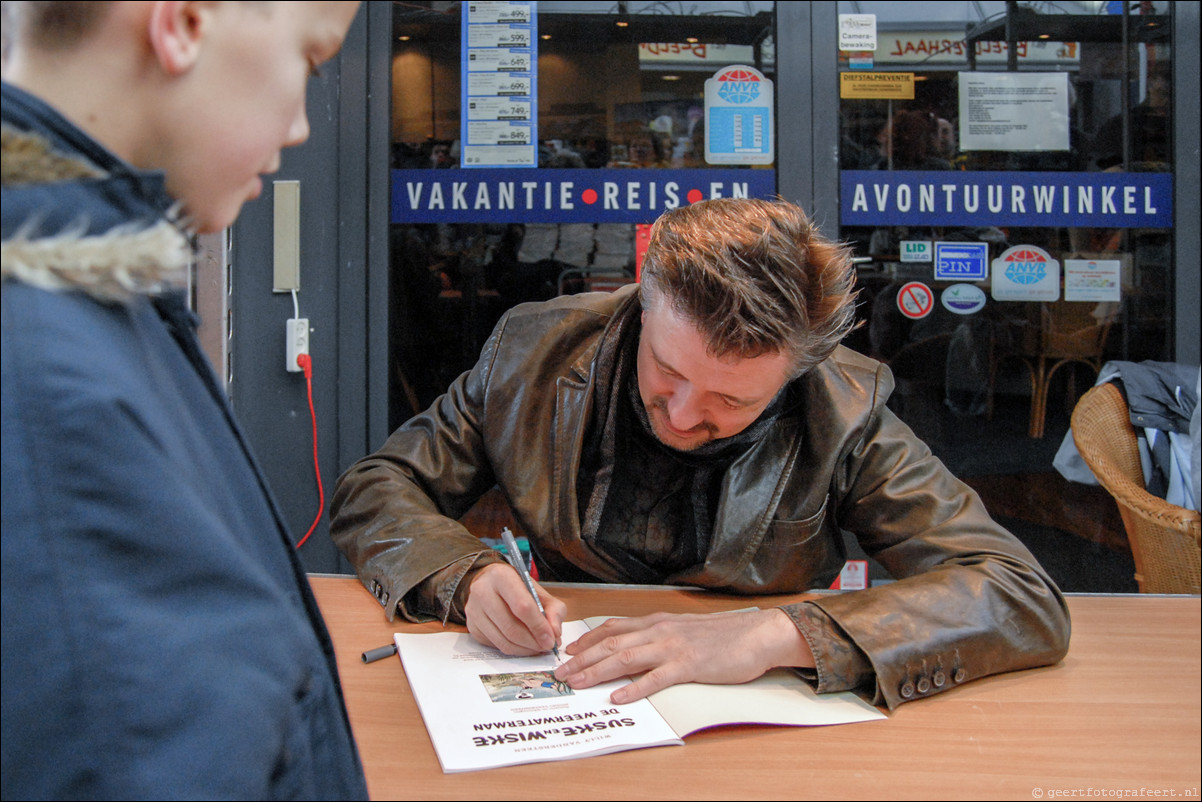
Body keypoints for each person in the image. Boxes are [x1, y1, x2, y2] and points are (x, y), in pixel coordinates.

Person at [330, 197, 1070, 711]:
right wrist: (464, 575)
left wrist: (778, 634)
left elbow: (1016, 593)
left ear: (795, 372)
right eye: (669, 373)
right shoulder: (532, 351)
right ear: (642, 303)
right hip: (573, 686)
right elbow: (379, 485)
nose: (685, 416)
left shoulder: (842, 408)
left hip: (759, 704)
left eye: (734, 402)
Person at [1, 2, 367, 799]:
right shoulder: (46, 379)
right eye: (309, 60)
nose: (303, 125)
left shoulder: (87, 289)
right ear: (184, 23)